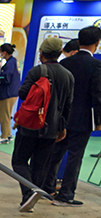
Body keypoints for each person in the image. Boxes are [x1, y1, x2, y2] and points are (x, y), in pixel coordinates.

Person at [11, 37, 74, 213]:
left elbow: (23, 93)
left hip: (30, 124)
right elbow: (68, 105)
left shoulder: (37, 71)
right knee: (40, 165)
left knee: (19, 161)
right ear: (59, 53)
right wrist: (63, 128)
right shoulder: (68, 75)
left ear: (41, 53)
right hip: (52, 128)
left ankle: (28, 193)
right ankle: (31, 197)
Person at [43, 26, 101, 207]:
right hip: (83, 119)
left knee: (55, 153)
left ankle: (47, 188)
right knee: (75, 157)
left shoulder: (65, 63)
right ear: (97, 43)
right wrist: (99, 120)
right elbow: (97, 95)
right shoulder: (96, 66)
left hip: (61, 117)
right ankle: (66, 194)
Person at [0, 43, 21, 144]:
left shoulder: (10, 63)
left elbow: (6, 78)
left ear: (5, 52)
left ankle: (4, 136)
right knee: (7, 114)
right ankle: (8, 134)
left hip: (8, 93)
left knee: (3, 115)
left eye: (1, 52)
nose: (0, 54)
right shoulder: (13, 62)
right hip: (12, 92)